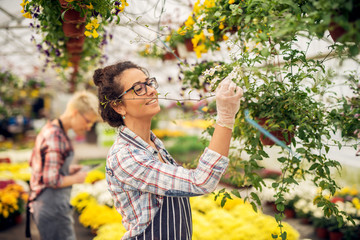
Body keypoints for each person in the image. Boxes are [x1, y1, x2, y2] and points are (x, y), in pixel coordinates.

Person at [93, 61, 243, 240]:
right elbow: (201, 181)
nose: (151, 90)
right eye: (138, 88)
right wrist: (226, 117)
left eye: (149, 83)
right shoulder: (126, 156)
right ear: (118, 106)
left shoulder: (153, 143)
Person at [26, 91, 99, 240]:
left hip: (48, 205)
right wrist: (76, 178)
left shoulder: (54, 129)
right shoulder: (55, 136)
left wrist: (68, 170)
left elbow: (40, 166)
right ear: (75, 113)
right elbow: (50, 180)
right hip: (51, 208)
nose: (89, 127)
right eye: (88, 121)